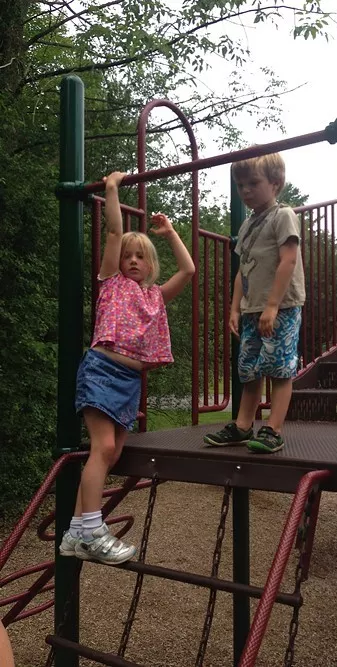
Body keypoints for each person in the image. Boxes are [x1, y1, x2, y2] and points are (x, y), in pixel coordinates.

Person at [60, 171, 195, 564]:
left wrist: (170, 232)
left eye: (140, 257)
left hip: (129, 381)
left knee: (113, 451)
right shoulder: (111, 284)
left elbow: (187, 271)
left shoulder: (155, 296)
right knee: (102, 448)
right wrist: (113, 189)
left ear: (150, 264)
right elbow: (116, 232)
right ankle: (92, 531)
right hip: (102, 369)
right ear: (118, 263)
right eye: (128, 256)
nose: (133, 260)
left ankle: (75, 532)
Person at [204, 152, 305, 454]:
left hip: (281, 306)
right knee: (249, 369)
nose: (245, 190)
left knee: (279, 367)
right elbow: (241, 271)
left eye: (253, 183)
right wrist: (235, 307)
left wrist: (273, 305)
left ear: (275, 183)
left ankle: (273, 429)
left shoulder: (282, 215)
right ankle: (243, 425)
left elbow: (288, 259)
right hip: (251, 308)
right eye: (240, 185)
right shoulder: (247, 226)